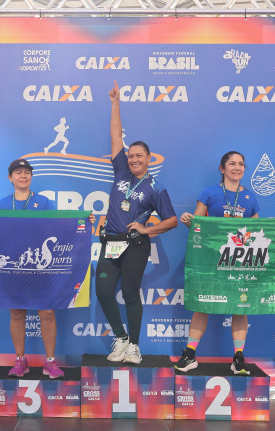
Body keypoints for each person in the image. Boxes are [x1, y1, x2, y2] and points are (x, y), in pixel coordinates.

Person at [176, 151, 275, 375]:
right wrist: (189, 221)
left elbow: (256, 233)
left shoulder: (250, 197)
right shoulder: (209, 193)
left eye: (241, 164)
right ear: (222, 168)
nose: (237, 167)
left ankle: (238, 357)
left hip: (240, 262)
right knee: (202, 305)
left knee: (241, 306)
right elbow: (197, 226)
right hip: (211, 261)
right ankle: (190, 354)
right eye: (232, 164)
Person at [0, 158, 94, 379]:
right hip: (14, 268)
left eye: (27, 172)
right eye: (18, 172)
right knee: (17, 312)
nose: (23, 176)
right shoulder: (2, 205)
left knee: (47, 311)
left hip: (40, 267)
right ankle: (20, 360)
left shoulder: (44, 202)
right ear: (10, 178)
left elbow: (60, 226)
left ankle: (50, 361)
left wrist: (84, 220)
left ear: (31, 177)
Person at [96, 81, 178, 364]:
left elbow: (172, 220)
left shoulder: (156, 187)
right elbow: (115, 137)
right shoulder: (120, 171)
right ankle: (120, 338)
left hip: (135, 245)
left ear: (148, 159)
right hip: (111, 243)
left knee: (130, 293)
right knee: (104, 291)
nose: (132, 159)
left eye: (138, 156)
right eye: (130, 156)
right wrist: (115, 103)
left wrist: (148, 229)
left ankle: (134, 346)